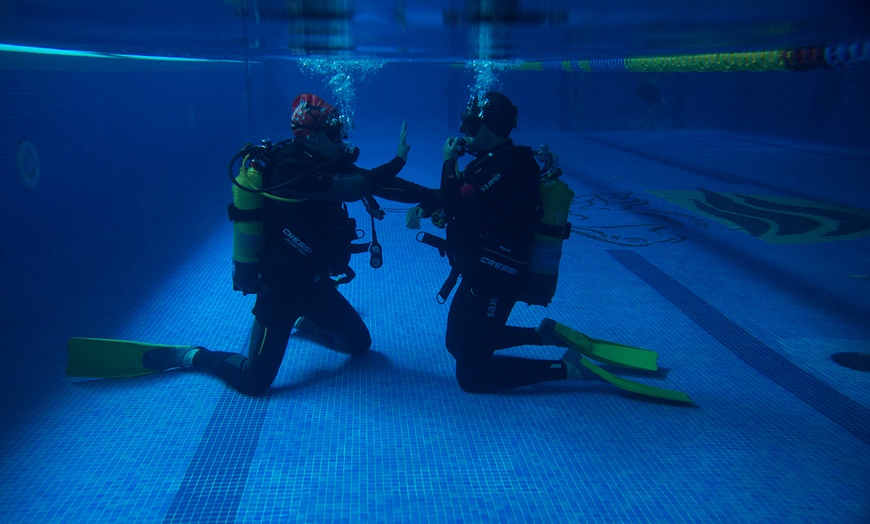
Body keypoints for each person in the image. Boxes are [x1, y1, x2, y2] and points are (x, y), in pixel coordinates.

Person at [144, 93, 439, 396]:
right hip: (280, 290)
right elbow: (355, 188)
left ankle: (304, 320)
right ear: (310, 137)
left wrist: (437, 197)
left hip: (314, 284)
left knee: (360, 345)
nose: (342, 138)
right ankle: (195, 356)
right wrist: (399, 160)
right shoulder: (288, 169)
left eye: (342, 130)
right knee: (253, 382)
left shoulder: (327, 159)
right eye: (335, 132)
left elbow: (379, 183)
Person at [436, 92, 691, 402]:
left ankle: (569, 368)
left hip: (497, 276)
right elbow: (466, 206)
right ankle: (544, 335)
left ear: (491, 129)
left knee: (472, 376)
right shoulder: (489, 163)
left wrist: (449, 162)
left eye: (472, 127)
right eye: (466, 125)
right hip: (479, 269)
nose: (465, 133)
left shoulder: (507, 167)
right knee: (456, 344)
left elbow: (455, 202)